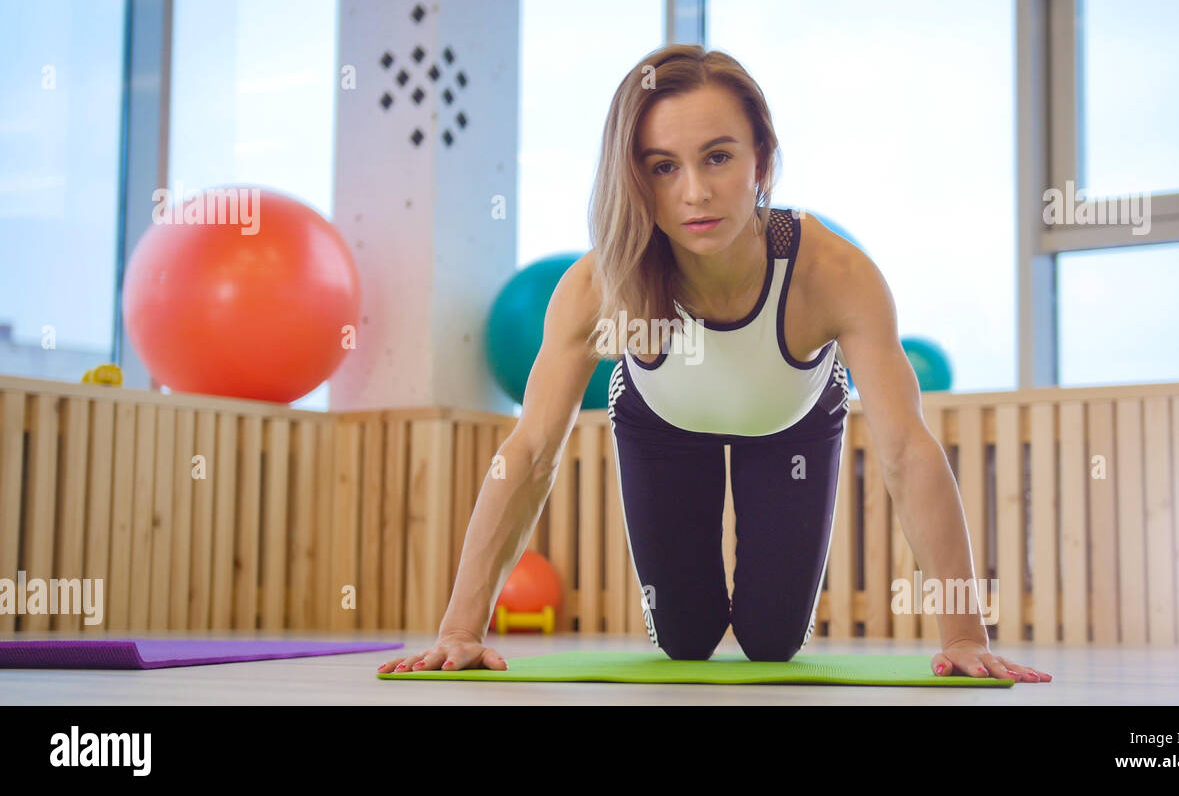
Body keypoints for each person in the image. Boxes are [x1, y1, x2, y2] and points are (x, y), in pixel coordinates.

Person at [381, 44, 1051, 683]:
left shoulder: (835, 273)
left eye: (718, 157)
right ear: (635, 177)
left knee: (771, 641)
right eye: (663, 166)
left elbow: (908, 447)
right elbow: (529, 451)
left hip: (793, 424)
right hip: (661, 425)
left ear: (761, 158)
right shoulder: (598, 286)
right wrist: (460, 627)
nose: (695, 191)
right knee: (686, 637)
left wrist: (965, 635)